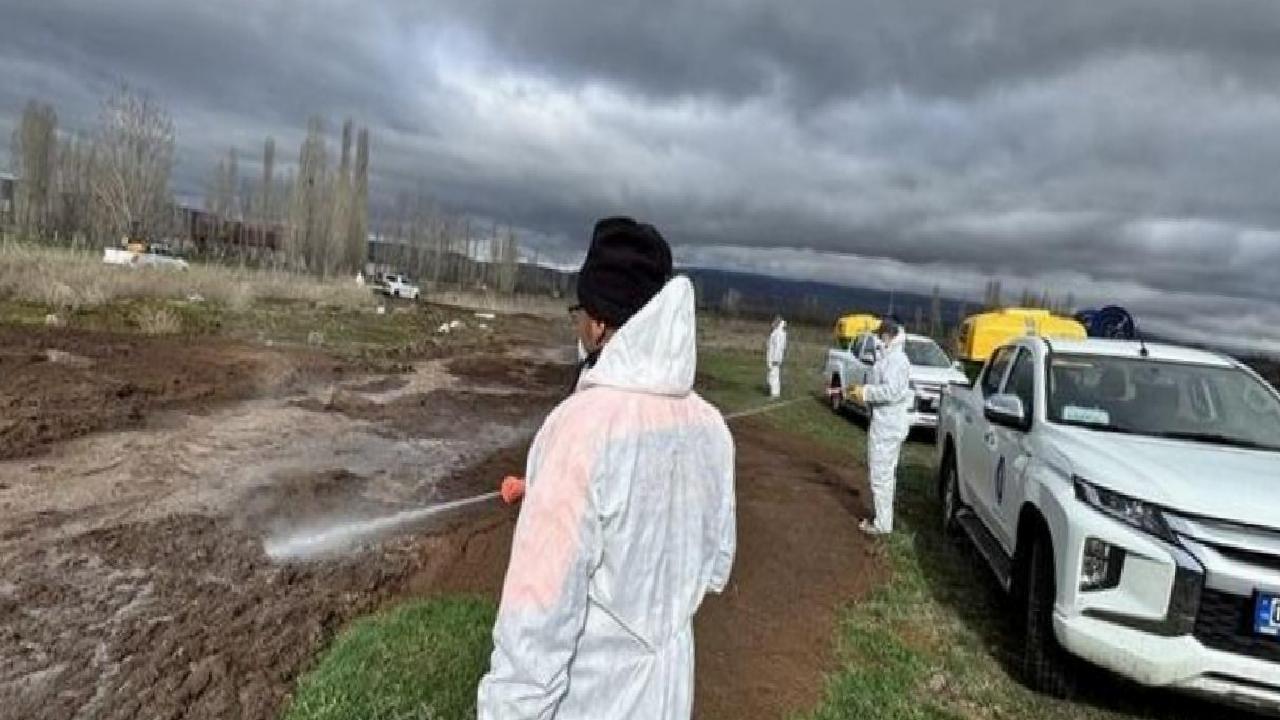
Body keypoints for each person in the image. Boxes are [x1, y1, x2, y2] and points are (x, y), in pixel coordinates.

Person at [477, 217, 737, 720]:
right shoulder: (711, 427)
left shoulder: (579, 429)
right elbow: (714, 567)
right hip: (669, 693)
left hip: (592, 697)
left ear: (597, 323)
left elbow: (535, 625)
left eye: (579, 313)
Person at [848, 317, 912, 535]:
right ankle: (883, 519)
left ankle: (882, 525)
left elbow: (891, 392)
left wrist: (865, 392)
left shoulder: (897, 360)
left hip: (888, 426)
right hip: (885, 423)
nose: (878, 339)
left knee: (880, 476)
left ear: (888, 335)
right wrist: (861, 391)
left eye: (880, 335)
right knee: (884, 475)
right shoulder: (890, 358)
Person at [766, 316, 788, 398]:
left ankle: (774, 394)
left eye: (775, 322)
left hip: (774, 358)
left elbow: (778, 347)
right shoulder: (777, 332)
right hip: (773, 357)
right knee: (772, 375)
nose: (773, 323)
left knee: (774, 375)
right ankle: (773, 391)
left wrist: (776, 358)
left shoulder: (779, 333)